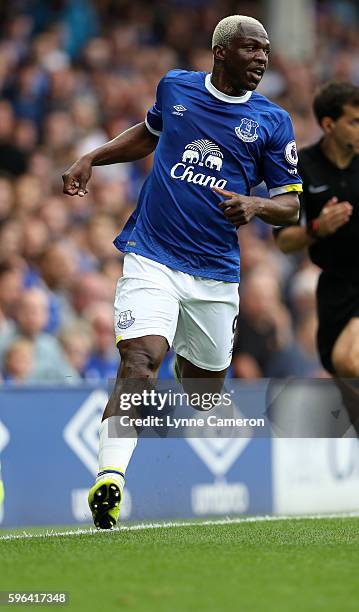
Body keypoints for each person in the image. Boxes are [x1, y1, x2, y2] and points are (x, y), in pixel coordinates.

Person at [63, 15, 301, 529]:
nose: (262, 58)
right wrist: (92, 158)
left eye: (265, 50)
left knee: (202, 394)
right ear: (220, 53)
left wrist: (256, 207)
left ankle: (190, 378)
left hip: (215, 272)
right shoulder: (176, 88)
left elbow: (291, 206)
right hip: (153, 254)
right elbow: (148, 135)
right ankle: (110, 480)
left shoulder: (273, 121)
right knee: (140, 360)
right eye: (251, 49)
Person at [274, 81, 359, 432]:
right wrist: (317, 228)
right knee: (342, 370)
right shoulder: (304, 168)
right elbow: (284, 242)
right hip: (336, 286)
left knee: (349, 360)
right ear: (328, 124)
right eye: (354, 121)